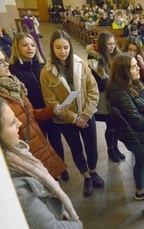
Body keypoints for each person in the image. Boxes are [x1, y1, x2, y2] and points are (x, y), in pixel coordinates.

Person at [0, 98, 83, 229]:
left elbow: (31, 114)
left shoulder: (18, 153)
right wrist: (77, 225)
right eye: (12, 123)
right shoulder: (16, 185)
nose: (19, 124)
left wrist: (53, 110)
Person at [40, 30, 104, 197]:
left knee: (92, 147)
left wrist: (86, 114)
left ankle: (93, 171)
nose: (63, 51)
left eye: (66, 47)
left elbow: (93, 90)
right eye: (58, 47)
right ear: (52, 48)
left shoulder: (80, 64)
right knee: (76, 149)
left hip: (87, 114)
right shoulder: (46, 72)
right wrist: (74, 118)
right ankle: (86, 177)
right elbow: (51, 102)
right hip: (66, 120)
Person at [106, 53, 144, 219]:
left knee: (141, 161)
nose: (138, 68)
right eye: (133, 66)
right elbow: (136, 121)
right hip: (136, 137)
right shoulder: (119, 93)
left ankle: (140, 191)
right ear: (124, 71)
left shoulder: (134, 83)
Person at [9, 32, 68, 180]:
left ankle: (61, 167)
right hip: (33, 115)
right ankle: (49, 173)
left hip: (50, 111)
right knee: (41, 146)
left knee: (56, 141)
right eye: (25, 45)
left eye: (32, 45)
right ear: (17, 48)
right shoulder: (13, 71)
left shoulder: (42, 66)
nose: (30, 48)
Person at [86, 31, 125, 163]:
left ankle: (115, 147)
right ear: (103, 44)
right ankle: (110, 150)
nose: (112, 46)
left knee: (116, 123)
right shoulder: (94, 58)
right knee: (111, 124)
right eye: (109, 44)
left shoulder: (117, 55)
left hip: (116, 93)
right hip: (105, 95)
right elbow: (101, 80)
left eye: (113, 43)